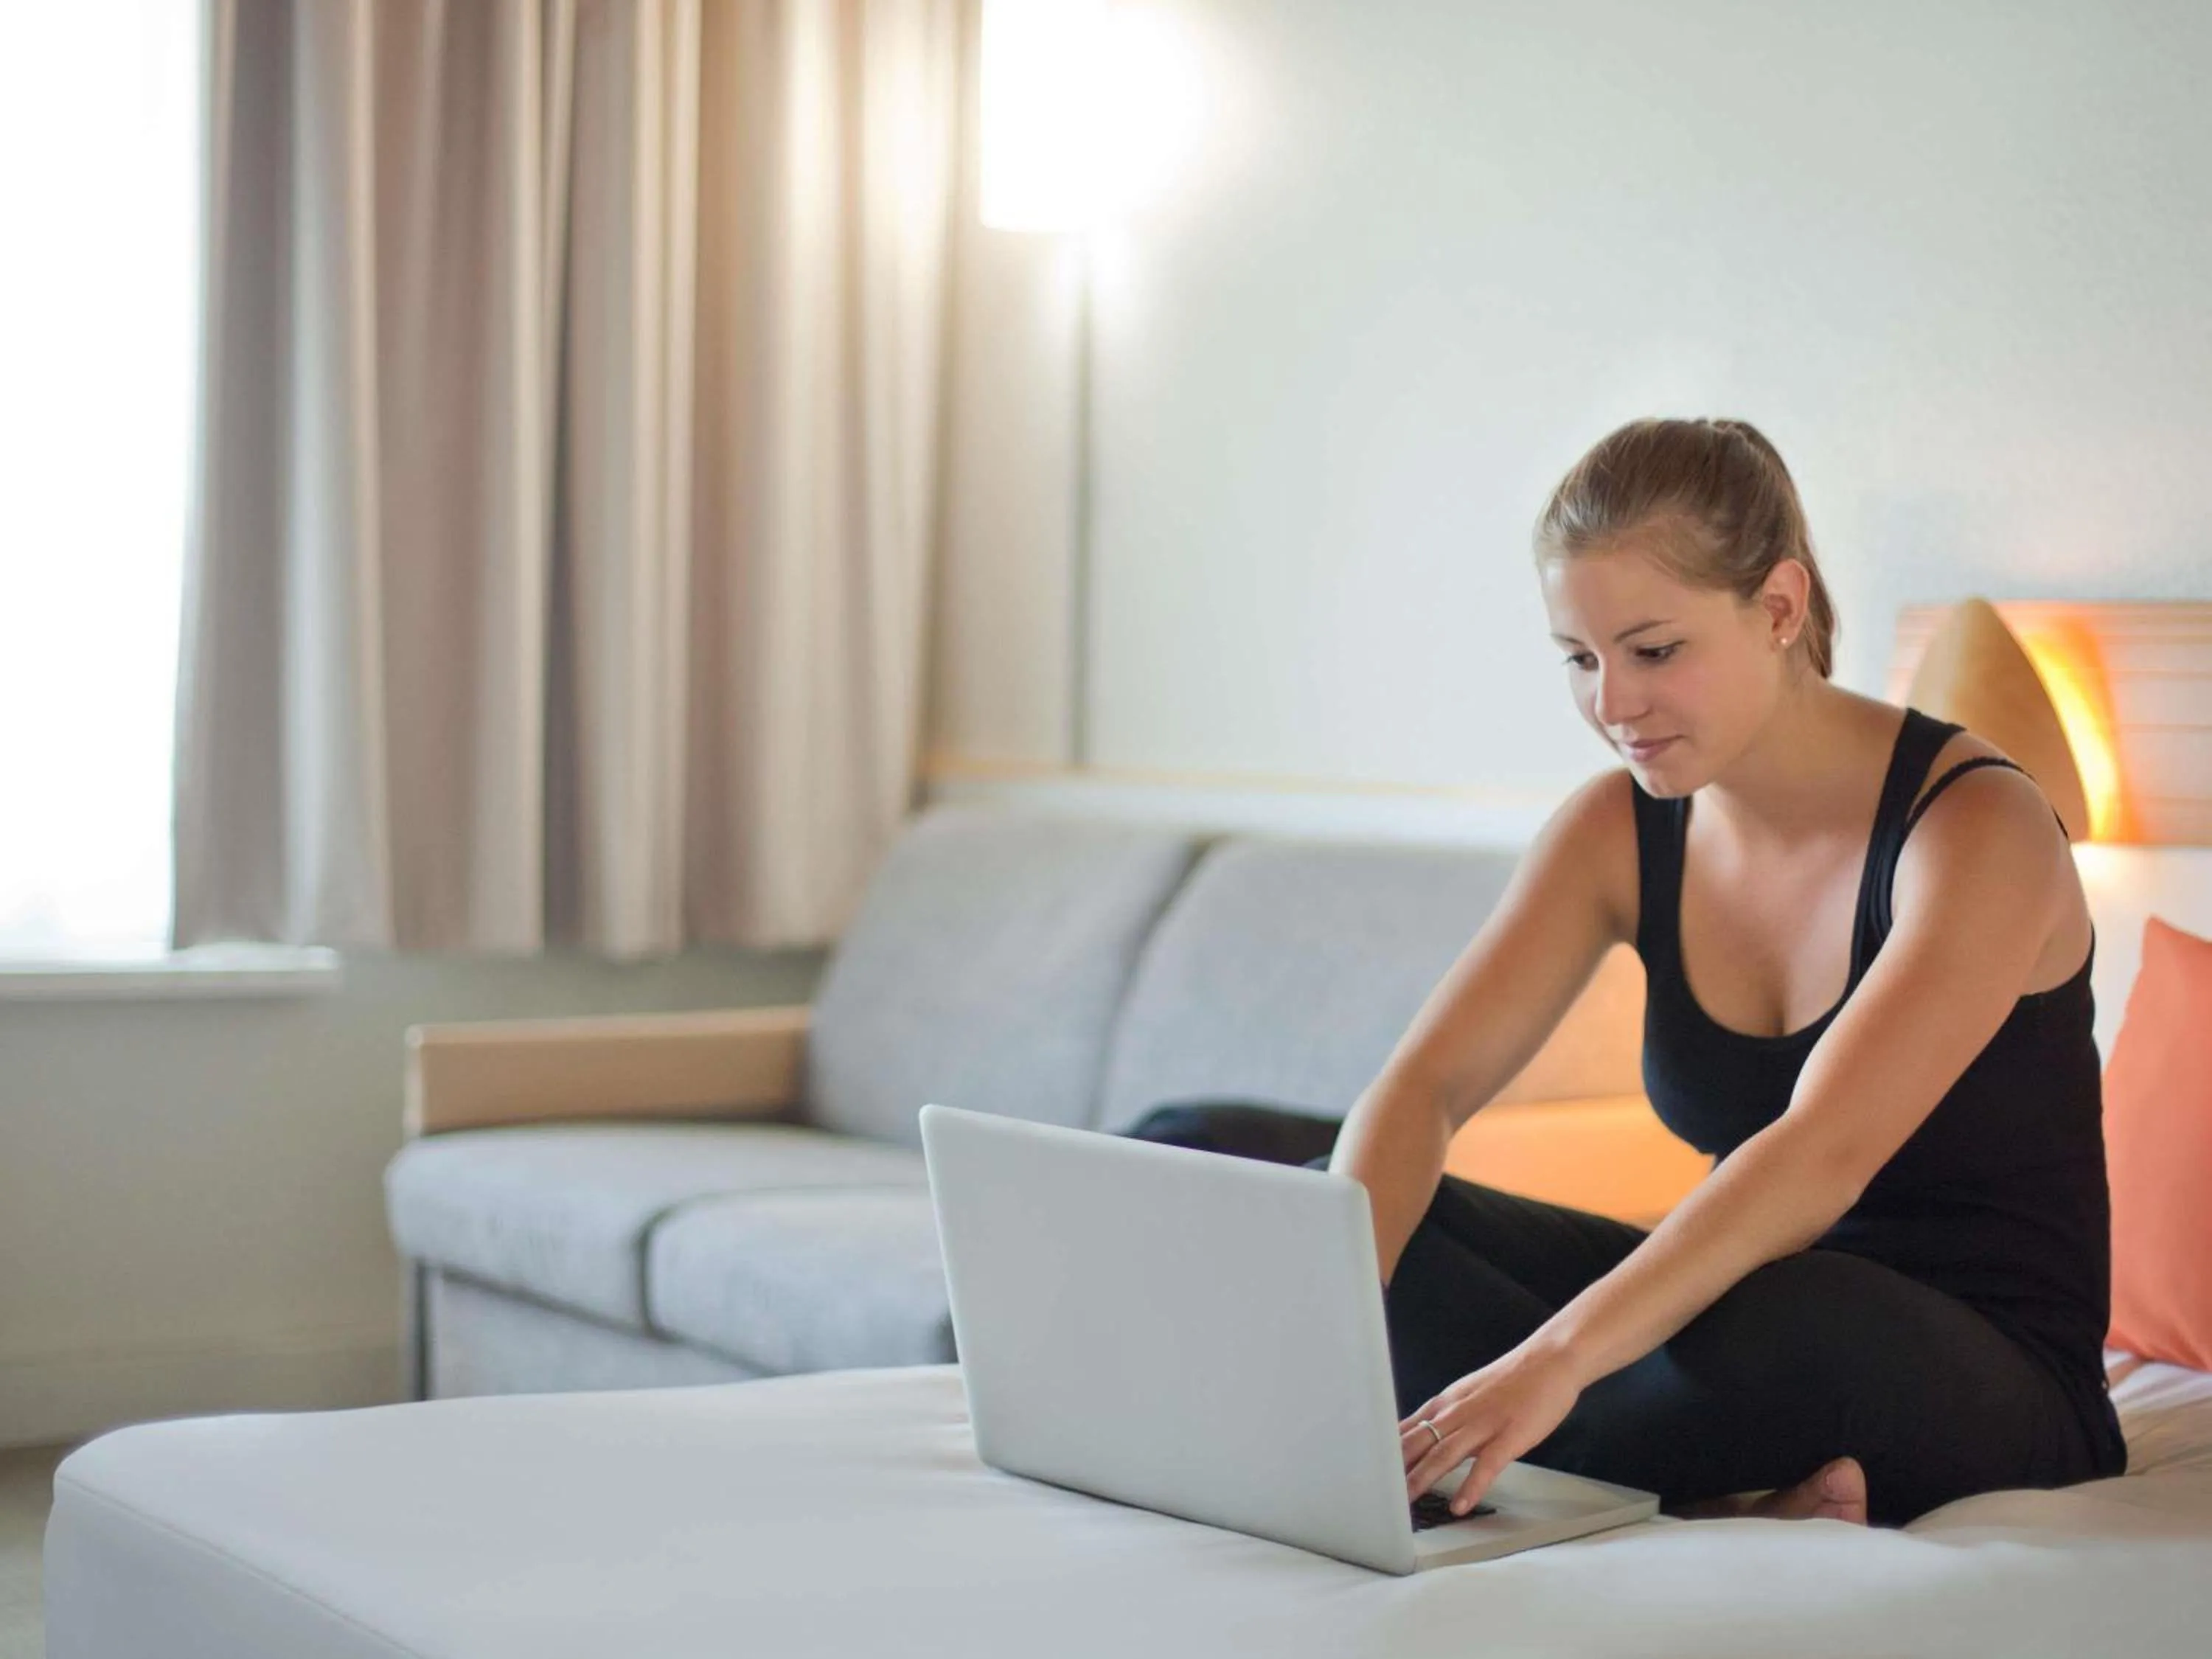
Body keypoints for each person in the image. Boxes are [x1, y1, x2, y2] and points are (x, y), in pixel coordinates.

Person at [1332, 416, 2128, 1528]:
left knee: (1768, 1321)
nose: (1612, 704)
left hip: (1975, 1373)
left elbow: (1818, 1156)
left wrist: (1554, 1357)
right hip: (1727, 1309)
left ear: (1780, 607)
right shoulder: (1615, 829)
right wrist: (1322, 1311)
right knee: (1269, 1164)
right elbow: (1423, 1090)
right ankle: (1698, 1481)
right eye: (1580, 658)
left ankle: (1594, 1453)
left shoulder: (1978, 826)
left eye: (1654, 651)